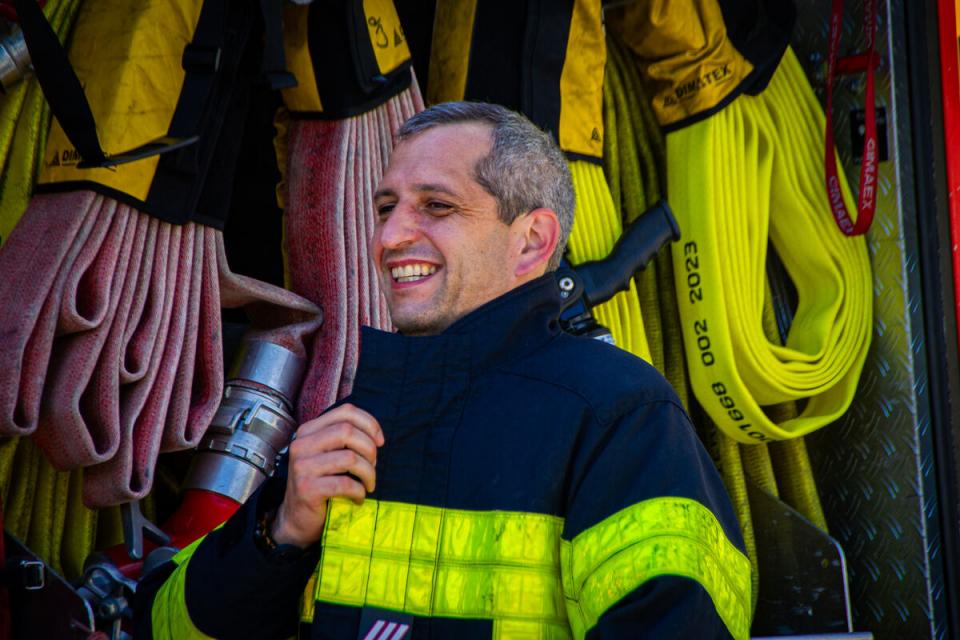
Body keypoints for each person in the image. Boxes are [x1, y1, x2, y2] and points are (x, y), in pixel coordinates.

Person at [135, 102, 751, 639]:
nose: (390, 236)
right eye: (386, 207)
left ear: (532, 241)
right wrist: (280, 533)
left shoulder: (622, 415)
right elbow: (164, 627)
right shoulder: (346, 429)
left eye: (437, 205)